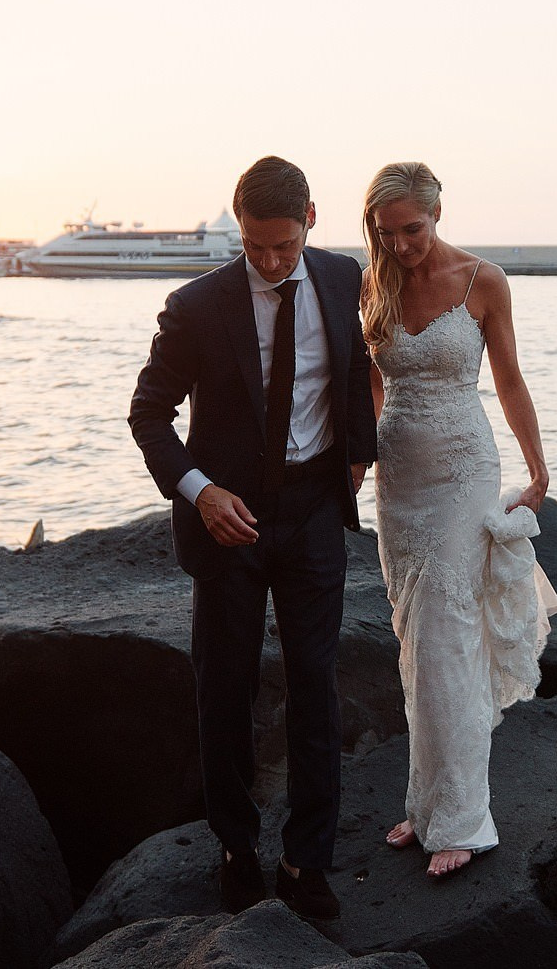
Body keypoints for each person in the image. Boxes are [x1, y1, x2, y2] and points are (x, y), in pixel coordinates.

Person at [128, 156, 376, 921]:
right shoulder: (198, 305)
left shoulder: (343, 278)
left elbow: (357, 366)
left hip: (311, 513)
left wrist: (358, 454)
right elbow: (148, 413)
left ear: (310, 217)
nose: (270, 262)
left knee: (315, 685)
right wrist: (201, 493)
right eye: (254, 246)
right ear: (239, 229)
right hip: (227, 521)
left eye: (282, 245)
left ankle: (307, 859)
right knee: (224, 687)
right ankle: (236, 848)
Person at [361, 161, 557, 878]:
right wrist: (357, 467)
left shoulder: (484, 281)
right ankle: (425, 804)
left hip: (463, 474)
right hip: (399, 483)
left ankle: (467, 819)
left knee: (449, 636)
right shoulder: (375, 281)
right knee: (415, 642)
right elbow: (374, 382)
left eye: (412, 229)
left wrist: (538, 466)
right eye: (388, 233)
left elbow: (507, 377)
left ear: (439, 212)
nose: (402, 245)